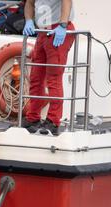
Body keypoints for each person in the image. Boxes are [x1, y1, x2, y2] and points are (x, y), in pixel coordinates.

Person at [21, 0, 75, 135]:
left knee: (54, 77)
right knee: (36, 77)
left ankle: (53, 121)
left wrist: (63, 25)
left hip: (58, 30)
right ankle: (32, 118)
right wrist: (29, 20)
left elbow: (66, 1)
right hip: (42, 31)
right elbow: (29, 3)